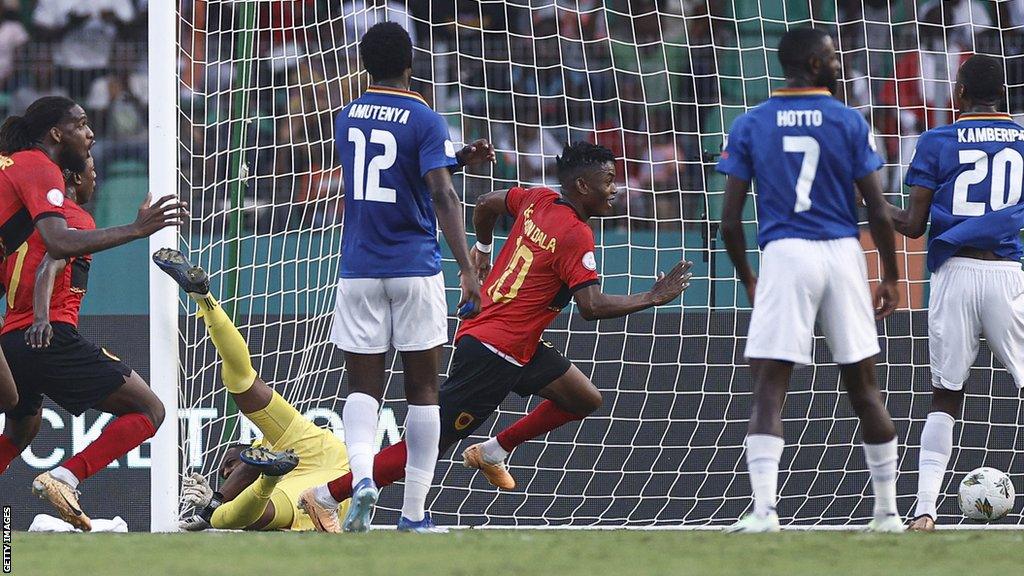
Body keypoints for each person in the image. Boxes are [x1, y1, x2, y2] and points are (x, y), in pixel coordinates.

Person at [298, 141, 692, 533]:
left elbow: (486, 202)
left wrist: (483, 247)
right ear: (583, 187)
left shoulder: (537, 199)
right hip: (495, 350)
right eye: (608, 180)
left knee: (583, 397)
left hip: (512, 338)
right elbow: (591, 307)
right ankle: (327, 495)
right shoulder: (576, 235)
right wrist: (652, 297)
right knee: (429, 446)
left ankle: (494, 450)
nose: (615, 188)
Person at [717, 27, 903, 533]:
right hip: (844, 253)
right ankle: (887, 515)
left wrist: (750, 279)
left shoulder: (752, 122)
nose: (840, 62)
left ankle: (763, 513)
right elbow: (881, 212)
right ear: (815, 65)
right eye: (833, 56)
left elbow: (730, 222)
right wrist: (889, 274)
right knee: (865, 388)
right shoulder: (848, 120)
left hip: (786, 253)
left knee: (769, 389)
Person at [322, 21, 493, 533]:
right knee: (422, 390)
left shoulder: (345, 117)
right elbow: (437, 193)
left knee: (362, 388)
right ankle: (414, 513)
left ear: (363, 62)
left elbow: (387, 172)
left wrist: (453, 160)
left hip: (358, 268)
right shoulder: (424, 117)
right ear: (410, 64)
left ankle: (362, 478)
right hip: (415, 266)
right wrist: (466, 266)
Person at [887, 55, 1024, 532]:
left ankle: (924, 511)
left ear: (959, 94)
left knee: (945, 394)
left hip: (955, 274)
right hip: (1008, 274)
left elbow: (911, 225)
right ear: (1002, 95)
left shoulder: (936, 140)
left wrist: (862, 195)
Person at [0, 156, 164, 532]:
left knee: (23, 427)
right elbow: (51, 264)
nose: (96, 180)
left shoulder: (20, 228)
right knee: (149, 409)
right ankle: (66, 477)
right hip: (49, 337)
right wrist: (42, 318)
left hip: (11, 343)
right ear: (72, 178)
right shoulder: (72, 218)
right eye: (93, 172)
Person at [152, 248, 352, 531]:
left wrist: (213, 504)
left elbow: (234, 500)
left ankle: (205, 299)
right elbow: (242, 481)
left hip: (317, 470)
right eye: (226, 471)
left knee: (227, 517)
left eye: (225, 470)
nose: (225, 471)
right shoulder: (265, 452)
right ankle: (204, 298)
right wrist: (215, 503)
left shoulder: (266, 449)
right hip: (324, 467)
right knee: (241, 381)